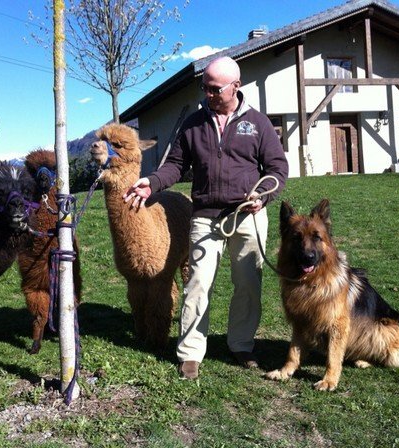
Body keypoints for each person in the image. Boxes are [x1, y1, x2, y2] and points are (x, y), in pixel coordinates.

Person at [123, 56, 289, 379]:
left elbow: (277, 169)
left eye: (214, 89)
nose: (208, 94)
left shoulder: (258, 123)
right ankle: (190, 352)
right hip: (205, 217)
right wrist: (152, 182)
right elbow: (174, 165)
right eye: (205, 87)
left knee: (248, 284)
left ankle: (241, 343)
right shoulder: (194, 124)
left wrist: (264, 196)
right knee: (197, 283)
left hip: (247, 216)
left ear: (235, 87)